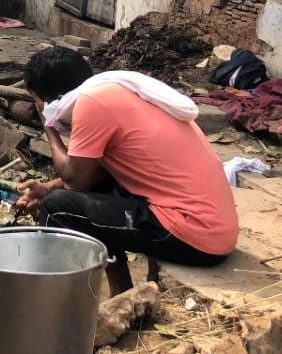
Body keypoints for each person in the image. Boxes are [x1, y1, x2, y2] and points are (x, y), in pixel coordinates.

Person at [17, 47, 238, 296]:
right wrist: (47, 187)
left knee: (58, 208)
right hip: (215, 229)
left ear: (52, 98)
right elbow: (97, 174)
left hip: (194, 234)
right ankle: (121, 294)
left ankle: (58, 304)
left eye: (37, 101)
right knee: (87, 194)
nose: (39, 108)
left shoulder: (92, 103)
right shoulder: (119, 91)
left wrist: (50, 130)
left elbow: (74, 181)